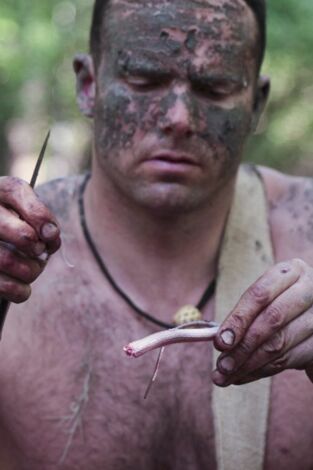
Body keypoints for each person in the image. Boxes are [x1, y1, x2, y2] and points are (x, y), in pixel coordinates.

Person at [0, 0, 313, 468]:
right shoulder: (12, 250)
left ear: (256, 104)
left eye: (215, 88)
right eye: (144, 81)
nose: (179, 118)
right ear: (89, 86)